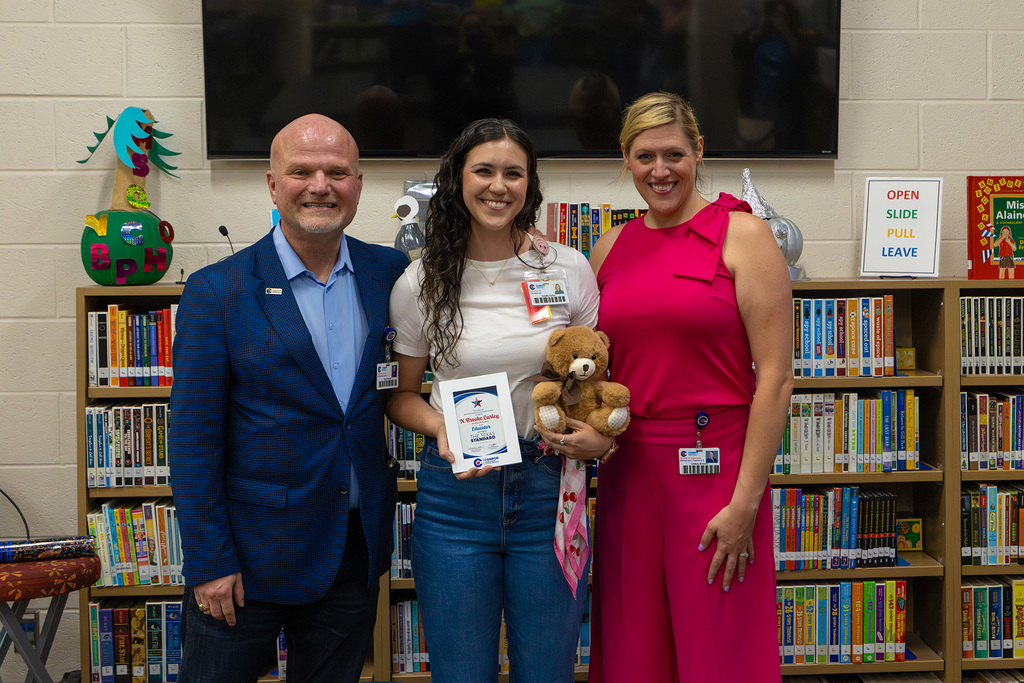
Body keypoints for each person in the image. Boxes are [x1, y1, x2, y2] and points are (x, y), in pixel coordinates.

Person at [169, 114, 408, 683]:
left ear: (358, 185)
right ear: (273, 185)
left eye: (337, 172)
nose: (320, 186)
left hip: (353, 550)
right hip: (248, 558)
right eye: (301, 171)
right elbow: (194, 439)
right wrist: (210, 560)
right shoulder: (217, 290)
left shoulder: (390, 273)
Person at [385, 118, 610, 682]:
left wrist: (600, 438)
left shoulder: (567, 268)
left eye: (514, 173)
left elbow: (593, 378)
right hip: (456, 497)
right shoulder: (420, 282)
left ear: (529, 184)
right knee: (461, 672)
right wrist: (439, 426)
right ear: (457, 179)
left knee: (548, 670)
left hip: (547, 488)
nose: (498, 186)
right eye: (483, 170)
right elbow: (401, 396)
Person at [587, 92, 793, 682]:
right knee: (634, 645)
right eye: (645, 156)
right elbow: (596, 369)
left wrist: (746, 504)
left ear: (699, 152)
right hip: (630, 472)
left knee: (719, 646)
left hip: (718, 473)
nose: (661, 170)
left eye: (674, 154)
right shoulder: (610, 247)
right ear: (626, 159)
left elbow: (776, 378)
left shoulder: (744, 236)